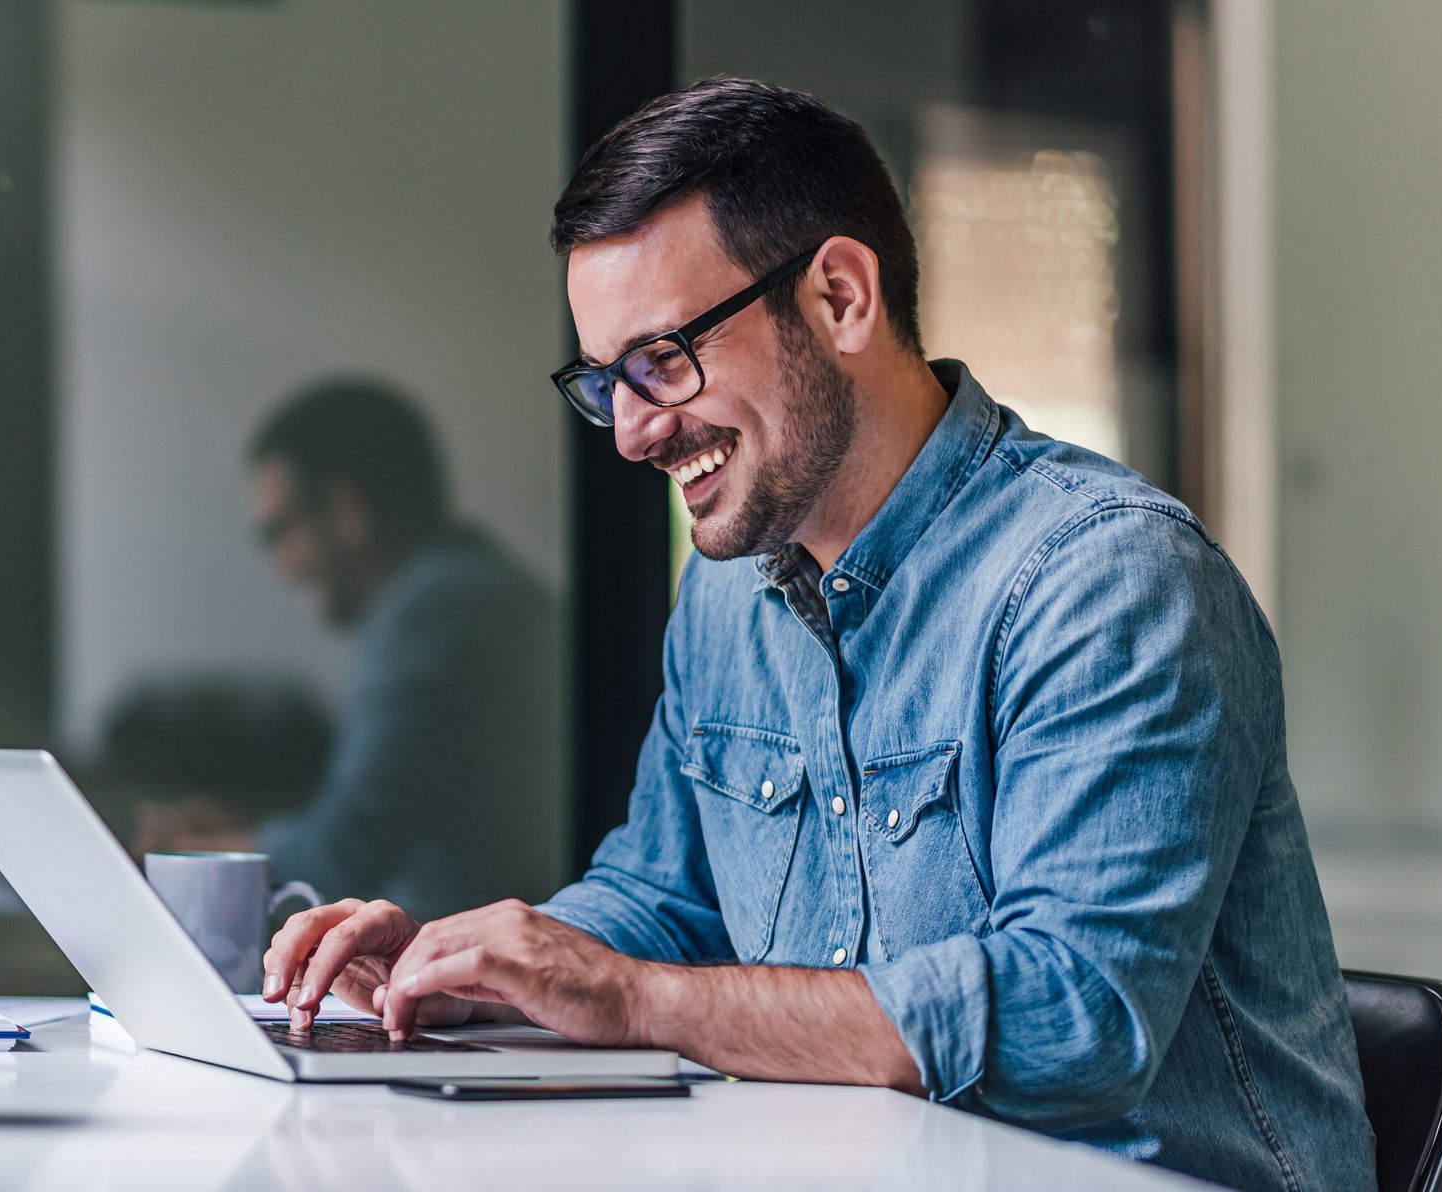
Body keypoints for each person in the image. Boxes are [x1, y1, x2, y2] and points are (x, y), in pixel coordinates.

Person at [261, 78, 1376, 1192]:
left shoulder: (1107, 579)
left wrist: (631, 997)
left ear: (840, 297)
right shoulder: (727, 593)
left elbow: (1073, 1015)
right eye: (607, 385)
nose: (634, 431)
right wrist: (471, 971)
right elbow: (667, 900)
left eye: (662, 359)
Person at [147, 377, 564, 922]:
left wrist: (197, 849)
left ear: (346, 510)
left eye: (281, 533)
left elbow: (345, 852)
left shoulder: (427, 615)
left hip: (460, 953)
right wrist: (250, 827)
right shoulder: (481, 585)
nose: (283, 568)